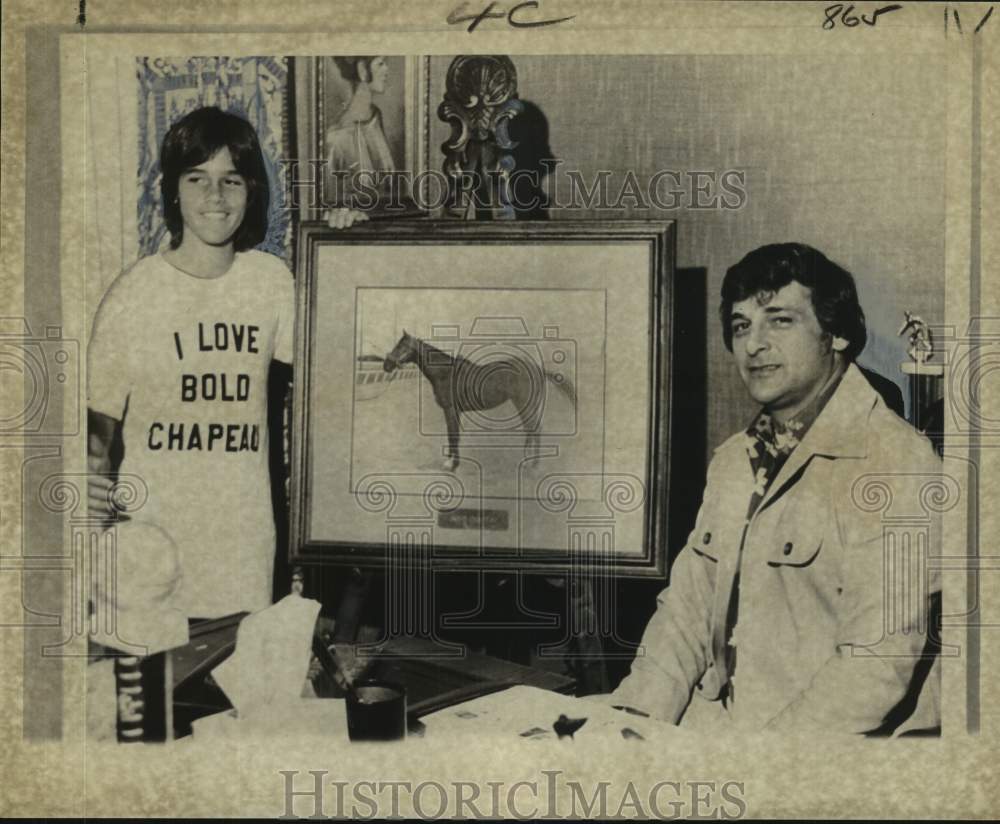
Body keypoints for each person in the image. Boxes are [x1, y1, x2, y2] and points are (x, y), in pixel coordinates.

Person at [608, 243, 942, 734]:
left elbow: (873, 669)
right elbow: (686, 612)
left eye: (779, 320)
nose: (753, 344)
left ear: (839, 334)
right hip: (723, 732)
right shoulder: (733, 461)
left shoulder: (899, 466)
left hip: (826, 752)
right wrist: (634, 723)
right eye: (741, 325)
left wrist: (757, 768)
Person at [88, 105, 295, 622]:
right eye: (197, 178)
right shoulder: (135, 292)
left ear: (251, 190)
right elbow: (96, 431)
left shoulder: (270, 281)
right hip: (154, 552)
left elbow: (336, 363)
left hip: (243, 554)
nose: (215, 197)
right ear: (174, 190)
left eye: (232, 180)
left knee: (237, 698)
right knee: (159, 701)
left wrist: (348, 237)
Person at [326, 56, 395, 202]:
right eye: (380, 64)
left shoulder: (376, 118)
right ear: (362, 70)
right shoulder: (338, 136)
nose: (387, 70)